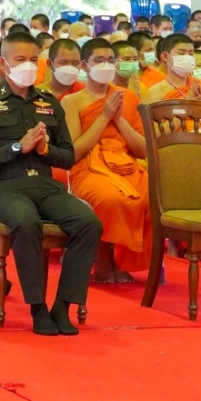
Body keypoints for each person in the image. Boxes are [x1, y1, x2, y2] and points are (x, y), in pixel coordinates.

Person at [0, 30, 100, 336]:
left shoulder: (49, 102)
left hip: (46, 187)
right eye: (20, 59)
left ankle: (62, 305)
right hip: (6, 188)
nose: (28, 65)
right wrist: (16, 148)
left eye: (34, 59)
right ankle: (38, 307)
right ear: (2, 63)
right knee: (26, 222)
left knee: (89, 223)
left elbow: (68, 157)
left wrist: (46, 150)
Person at [60, 34, 148, 285]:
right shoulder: (72, 101)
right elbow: (75, 151)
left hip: (126, 164)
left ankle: (122, 259)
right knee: (110, 199)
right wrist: (104, 116)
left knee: (150, 198)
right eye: (99, 60)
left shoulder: (128, 97)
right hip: (88, 166)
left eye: (111, 60)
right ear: (84, 66)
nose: (106, 65)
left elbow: (143, 150)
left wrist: (118, 118)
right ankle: (103, 257)